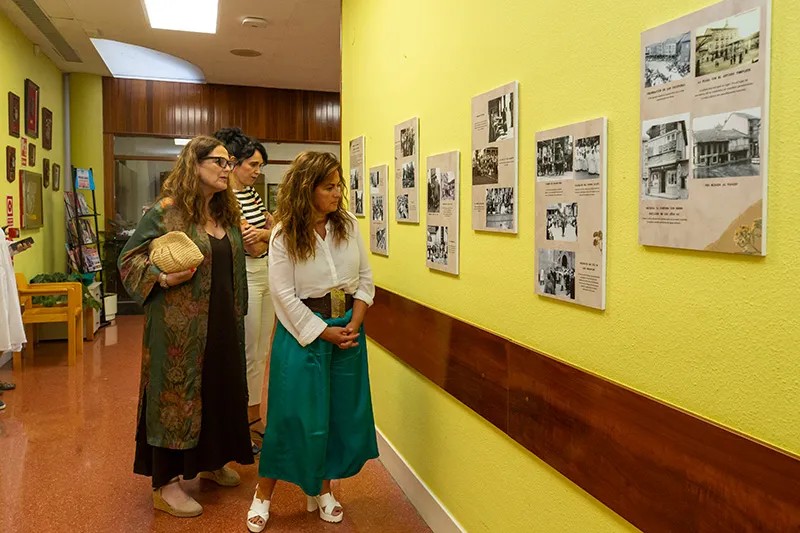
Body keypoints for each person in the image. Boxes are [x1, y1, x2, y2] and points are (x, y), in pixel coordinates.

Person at [119, 136, 256, 518]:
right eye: (219, 162)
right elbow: (128, 261)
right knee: (176, 400)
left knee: (216, 390)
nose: (227, 169)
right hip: (178, 330)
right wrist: (161, 278)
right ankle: (166, 484)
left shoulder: (225, 213)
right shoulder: (167, 212)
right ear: (194, 165)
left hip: (223, 323)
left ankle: (212, 461)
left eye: (230, 163)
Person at [246, 152, 378, 532]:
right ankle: (263, 493)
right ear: (307, 188)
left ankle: (322, 489)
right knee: (292, 416)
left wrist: (354, 323)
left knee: (335, 414)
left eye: (339, 186)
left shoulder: (348, 225)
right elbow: (283, 295)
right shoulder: (284, 234)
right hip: (303, 334)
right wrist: (323, 332)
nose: (337, 193)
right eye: (329, 187)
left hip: (347, 331)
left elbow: (365, 279)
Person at [214, 128, 274, 456]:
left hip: (267, 273)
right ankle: (239, 423)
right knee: (246, 351)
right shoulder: (225, 199)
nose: (257, 171)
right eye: (253, 165)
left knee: (261, 352)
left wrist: (266, 233)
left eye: (260, 166)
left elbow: (268, 233)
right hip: (245, 276)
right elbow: (251, 246)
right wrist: (268, 233)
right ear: (234, 163)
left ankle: (254, 417)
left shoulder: (252, 194)